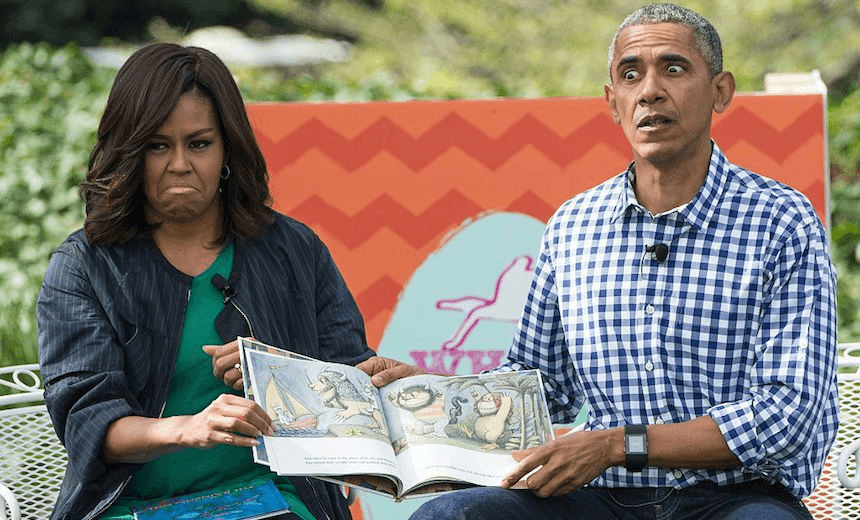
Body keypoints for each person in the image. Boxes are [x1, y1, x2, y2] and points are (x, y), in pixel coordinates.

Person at [359, 3, 839, 519]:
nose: (650, 90)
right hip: (600, 499)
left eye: (673, 69)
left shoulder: (780, 219)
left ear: (720, 90)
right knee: (450, 516)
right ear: (614, 102)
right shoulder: (574, 224)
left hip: (736, 496)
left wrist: (615, 445)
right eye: (630, 75)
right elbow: (542, 388)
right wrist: (435, 392)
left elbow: (786, 414)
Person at [36, 43, 375, 520]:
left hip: (279, 502)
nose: (179, 164)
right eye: (157, 145)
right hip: (130, 507)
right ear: (129, 152)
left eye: (199, 143)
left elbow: (350, 386)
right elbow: (88, 425)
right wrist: (187, 428)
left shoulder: (295, 250)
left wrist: (282, 375)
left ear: (228, 149)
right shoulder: (85, 266)